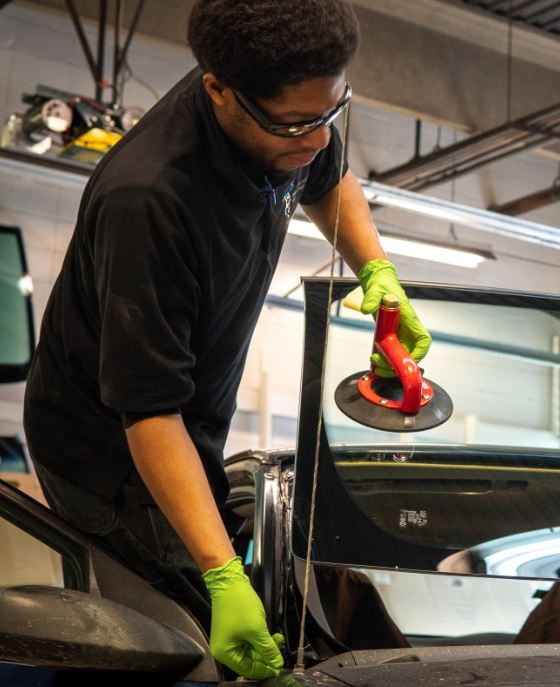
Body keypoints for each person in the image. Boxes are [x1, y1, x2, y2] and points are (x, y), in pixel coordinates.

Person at [21, 0, 429, 680]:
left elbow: (327, 179)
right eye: (299, 124)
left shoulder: (291, 106)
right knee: (179, 634)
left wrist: (376, 269)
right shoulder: (151, 200)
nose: (320, 139)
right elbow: (150, 414)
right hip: (108, 449)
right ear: (219, 90)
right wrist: (218, 575)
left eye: (334, 112)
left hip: (186, 412)